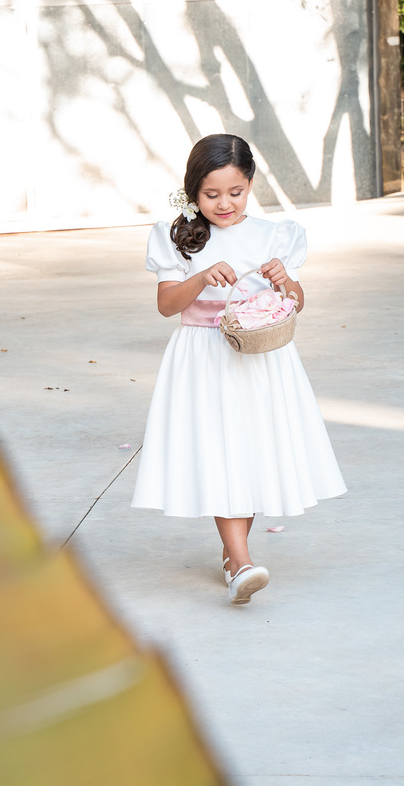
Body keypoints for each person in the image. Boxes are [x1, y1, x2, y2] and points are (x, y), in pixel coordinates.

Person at [131, 133, 346, 605]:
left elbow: (296, 302)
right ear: (192, 191)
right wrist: (200, 277)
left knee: (248, 449)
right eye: (211, 194)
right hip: (203, 356)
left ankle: (235, 558)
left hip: (260, 357)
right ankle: (241, 561)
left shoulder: (274, 236)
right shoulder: (176, 238)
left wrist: (285, 281)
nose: (224, 204)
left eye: (236, 192)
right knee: (219, 449)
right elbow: (167, 305)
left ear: (250, 184)